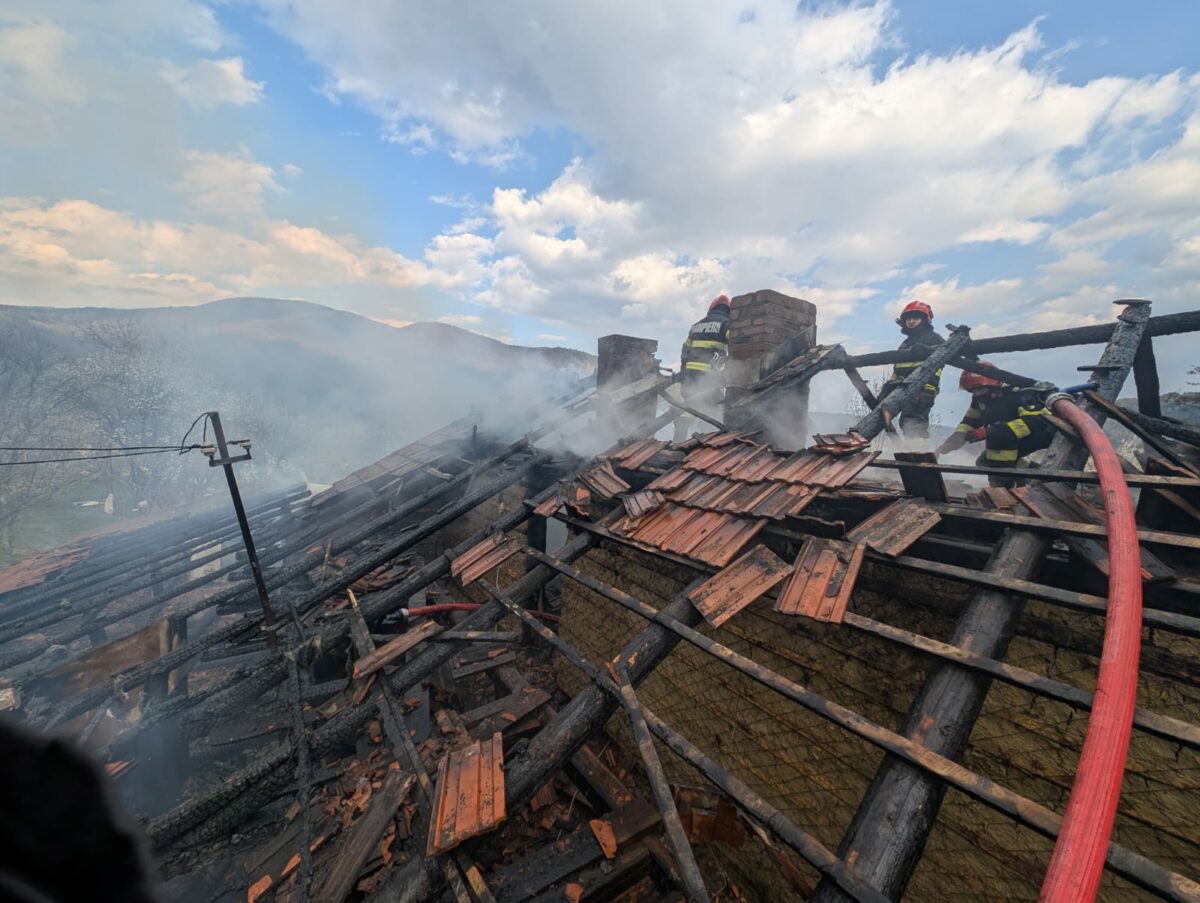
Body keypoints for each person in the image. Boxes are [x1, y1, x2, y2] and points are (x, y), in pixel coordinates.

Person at [934, 365, 1054, 485]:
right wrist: (951, 443)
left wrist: (990, 432)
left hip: (1043, 433)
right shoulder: (979, 400)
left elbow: (1035, 422)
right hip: (1010, 435)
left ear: (993, 384)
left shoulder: (1018, 394)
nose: (976, 393)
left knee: (996, 447)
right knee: (984, 462)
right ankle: (1036, 479)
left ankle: (1002, 490)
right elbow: (969, 423)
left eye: (979, 388)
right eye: (971, 390)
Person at [878, 300, 945, 441]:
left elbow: (937, 366)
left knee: (913, 423)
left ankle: (920, 455)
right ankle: (909, 451)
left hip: (922, 390)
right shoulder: (906, 343)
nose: (911, 321)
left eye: (915, 318)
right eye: (908, 318)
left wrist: (926, 390)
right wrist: (888, 386)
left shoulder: (933, 338)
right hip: (902, 388)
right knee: (892, 418)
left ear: (925, 320)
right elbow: (898, 368)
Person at [673, 294, 731, 443]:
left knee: (687, 406)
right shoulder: (725, 324)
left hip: (690, 375)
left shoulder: (696, 326)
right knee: (716, 407)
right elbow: (735, 343)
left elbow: (685, 349)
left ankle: (678, 440)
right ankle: (707, 443)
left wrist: (684, 371)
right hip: (708, 377)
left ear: (712, 308)